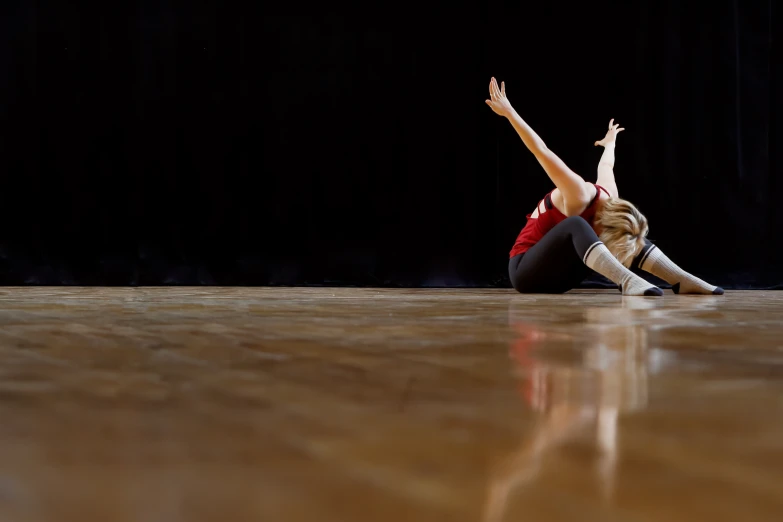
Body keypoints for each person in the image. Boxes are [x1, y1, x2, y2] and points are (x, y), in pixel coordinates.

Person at [485, 77, 723, 296]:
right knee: (577, 224)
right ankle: (627, 281)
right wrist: (509, 113)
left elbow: (606, 166)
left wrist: (610, 142)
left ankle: (681, 279)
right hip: (525, 273)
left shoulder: (610, 198)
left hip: (560, 277)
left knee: (630, 232)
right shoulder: (577, 193)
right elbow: (541, 150)